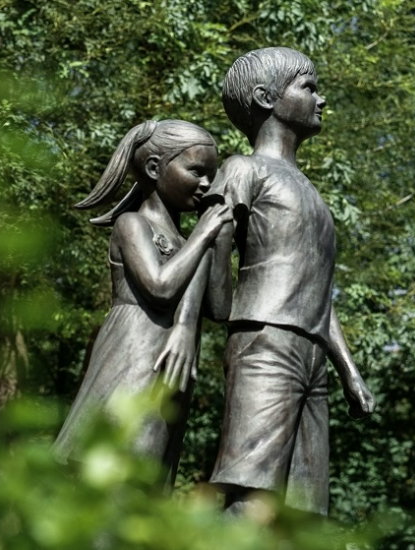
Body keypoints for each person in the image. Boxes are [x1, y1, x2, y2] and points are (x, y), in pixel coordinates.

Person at [207, 47, 376, 516]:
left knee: (306, 507)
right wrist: (221, 309)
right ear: (266, 97)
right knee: (251, 488)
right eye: (308, 87)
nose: (321, 99)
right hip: (265, 342)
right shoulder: (244, 169)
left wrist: (349, 371)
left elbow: (317, 294)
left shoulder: (311, 193)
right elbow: (214, 241)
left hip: (312, 354)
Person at [52, 119, 233, 487]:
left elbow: (220, 308)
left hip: (172, 366)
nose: (206, 183)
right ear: (154, 168)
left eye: (211, 176)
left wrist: (222, 237)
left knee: (150, 475)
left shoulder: (189, 241)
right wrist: (203, 234)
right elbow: (160, 287)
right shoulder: (133, 225)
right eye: (196, 171)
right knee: (121, 462)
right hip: (134, 351)